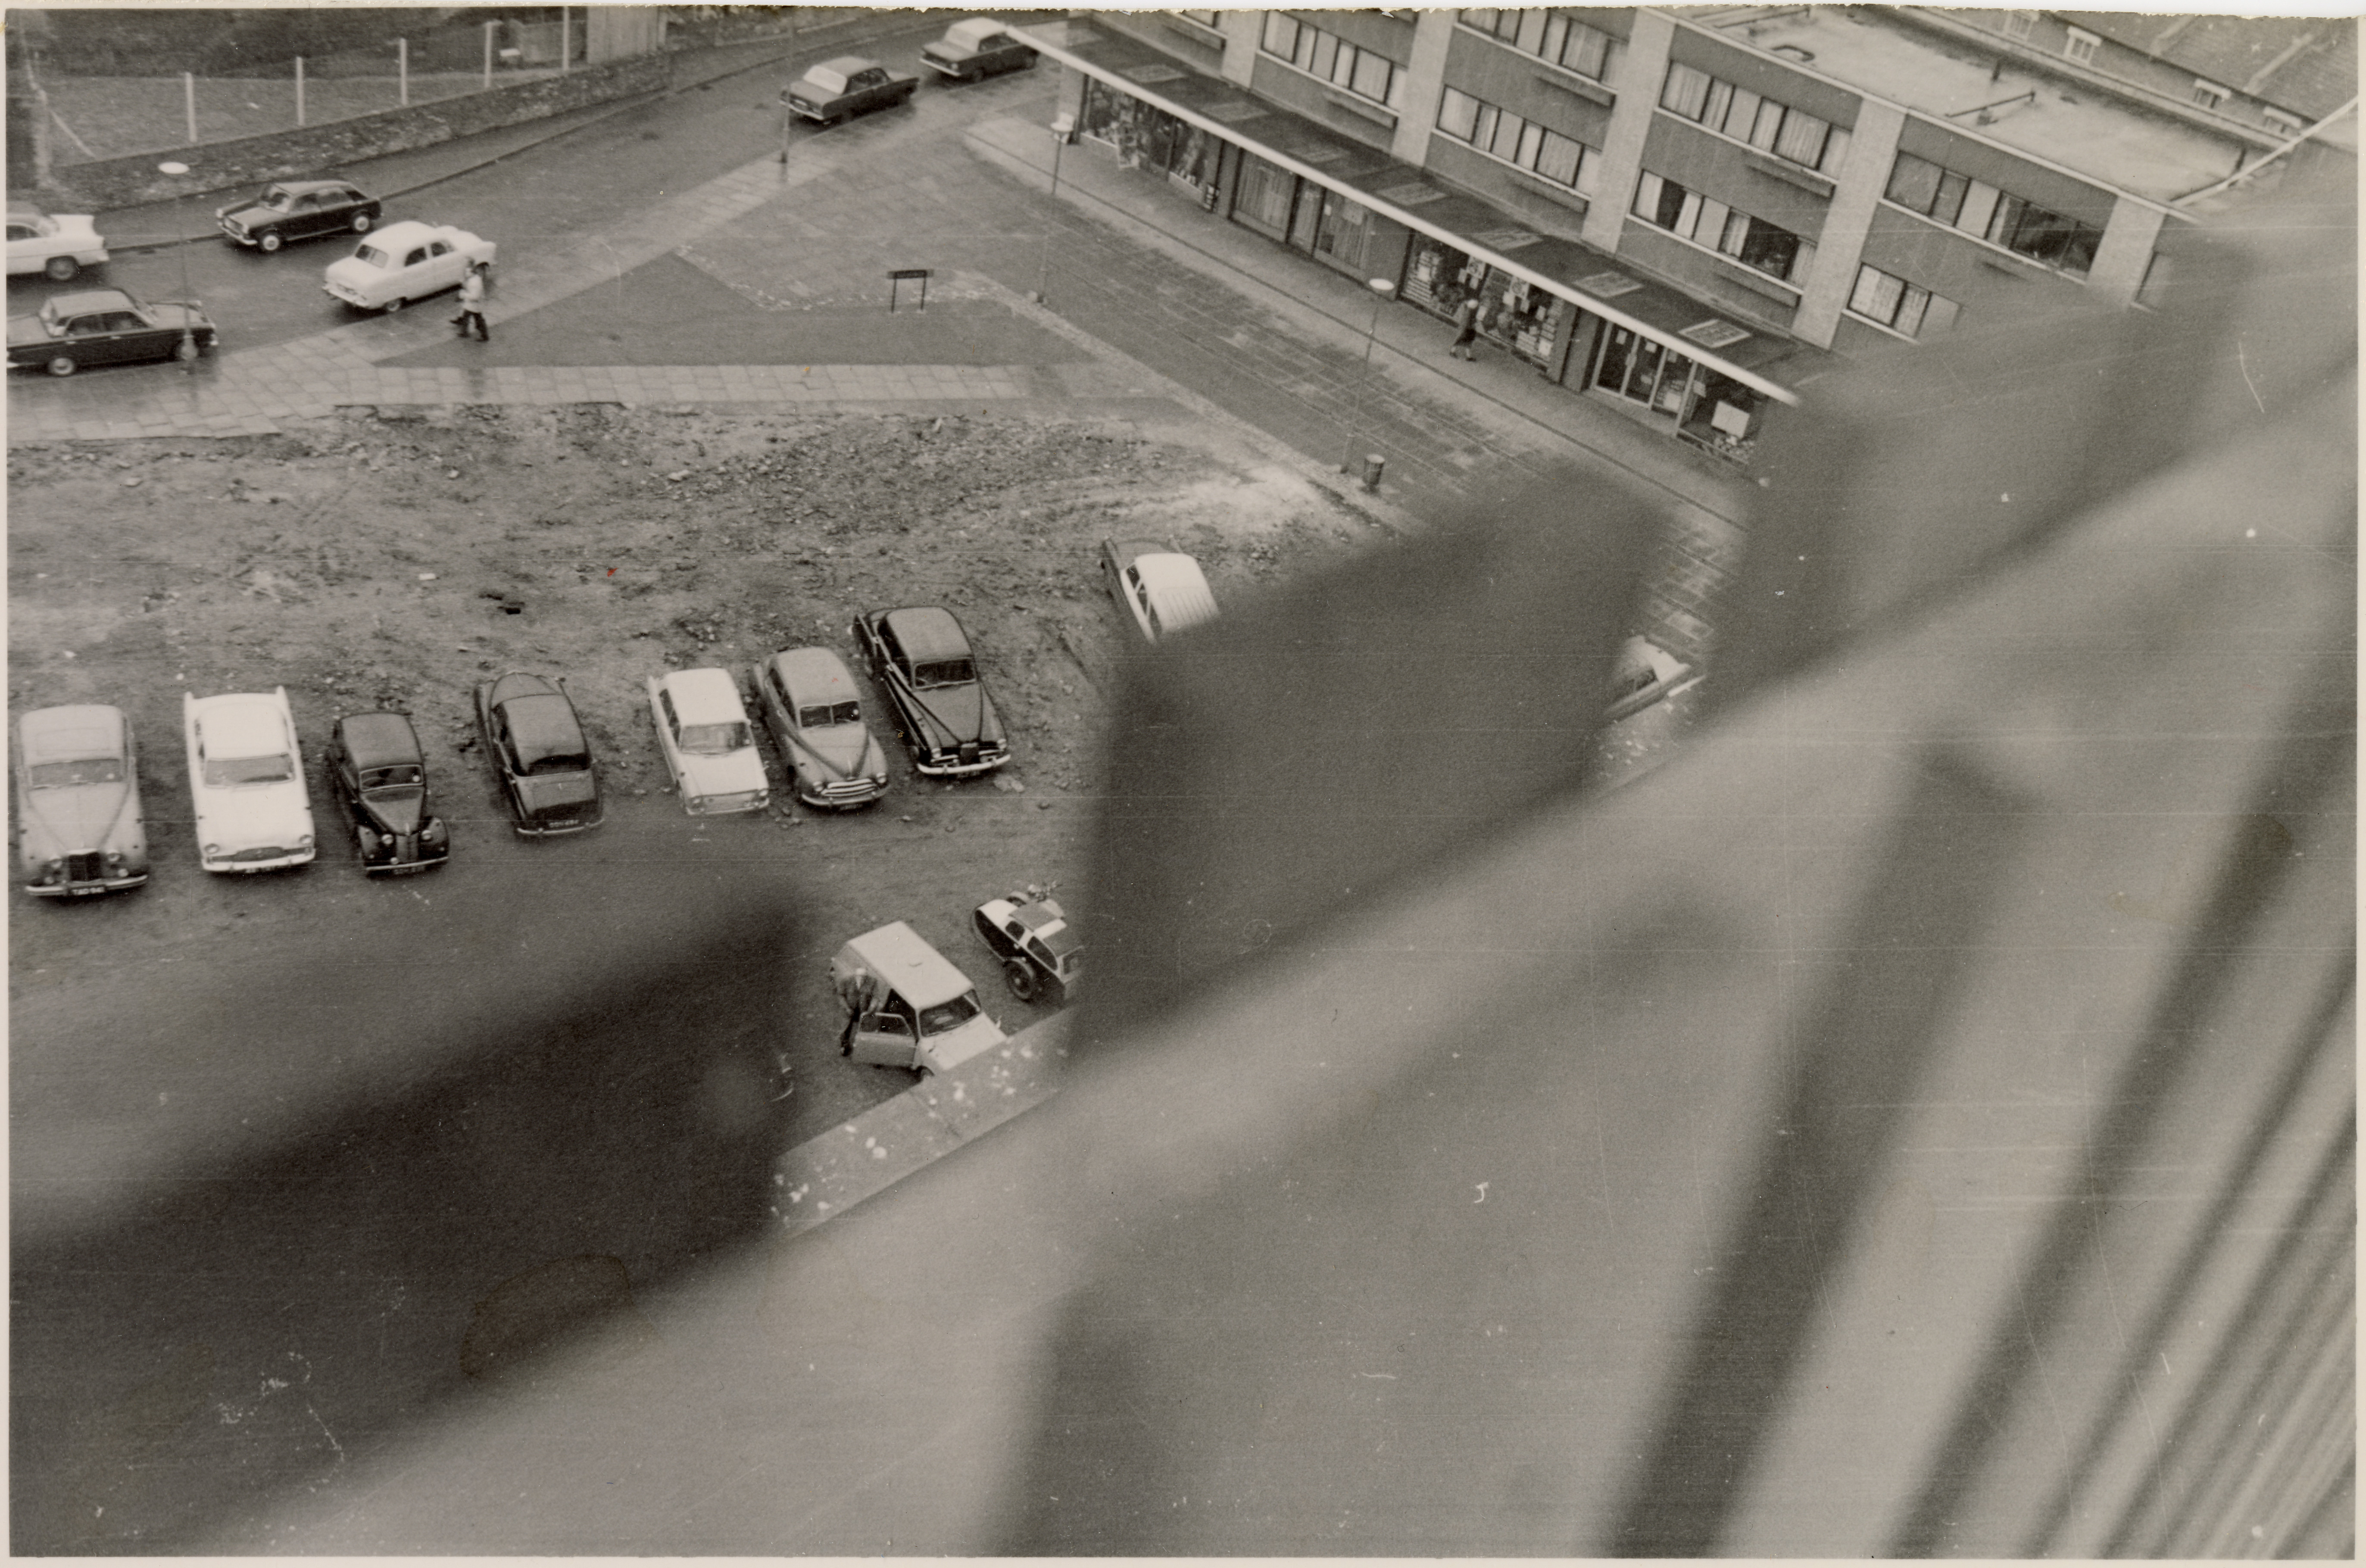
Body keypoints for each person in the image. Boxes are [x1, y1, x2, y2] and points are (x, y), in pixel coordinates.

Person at [454, 262, 490, 343]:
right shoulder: (473, 279)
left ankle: (484, 336)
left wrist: (464, 295)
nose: (466, 273)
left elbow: (475, 297)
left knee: (478, 320)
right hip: (472, 305)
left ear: (472, 272)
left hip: (475, 305)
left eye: (468, 272)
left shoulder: (476, 283)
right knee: (467, 317)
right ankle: (465, 333)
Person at [1448, 292, 1480, 361]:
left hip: (1468, 329)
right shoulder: (1470, 312)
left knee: (1467, 342)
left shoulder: (1469, 310)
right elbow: (1467, 322)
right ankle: (1453, 352)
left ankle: (1468, 356)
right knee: (1463, 341)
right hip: (1467, 329)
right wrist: (1470, 327)